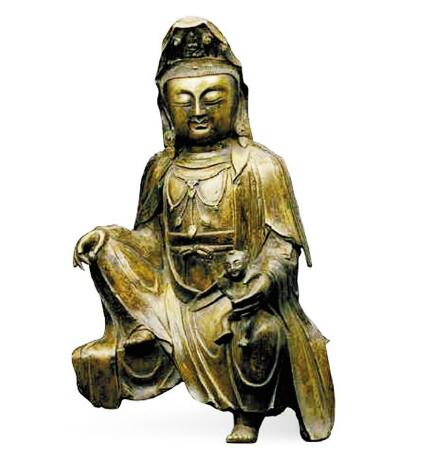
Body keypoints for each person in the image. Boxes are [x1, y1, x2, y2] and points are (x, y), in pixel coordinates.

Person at [72, 17, 334, 443]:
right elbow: (150, 241)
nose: (198, 111)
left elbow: (282, 246)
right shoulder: (161, 168)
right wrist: (108, 240)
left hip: (234, 296)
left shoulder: (260, 167)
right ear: (165, 109)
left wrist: (260, 282)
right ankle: (144, 324)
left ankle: (248, 415)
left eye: (212, 98)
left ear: (238, 101)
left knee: (260, 334)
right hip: (173, 296)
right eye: (183, 100)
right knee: (108, 246)